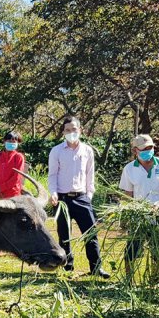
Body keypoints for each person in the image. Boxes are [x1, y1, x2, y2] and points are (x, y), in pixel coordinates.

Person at [48, 117, 110, 278]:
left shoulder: (87, 150)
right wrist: (53, 193)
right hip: (62, 199)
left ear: (80, 130)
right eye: (67, 130)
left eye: (74, 129)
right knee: (64, 235)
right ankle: (67, 265)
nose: (71, 133)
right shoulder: (56, 151)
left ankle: (96, 268)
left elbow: (90, 175)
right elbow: (52, 175)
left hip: (82, 198)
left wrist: (89, 195)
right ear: (63, 132)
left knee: (91, 234)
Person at [118, 134, 159, 274]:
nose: (148, 151)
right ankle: (128, 278)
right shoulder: (129, 169)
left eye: (150, 147)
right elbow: (128, 194)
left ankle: (157, 278)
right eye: (144, 149)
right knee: (132, 248)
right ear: (135, 150)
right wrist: (126, 215)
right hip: (139, 215)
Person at [0, 131, 26, 199]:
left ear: (18, 143)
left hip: (13, 195)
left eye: (14, 141)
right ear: (4, 141)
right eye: (9, 140)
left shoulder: (19, 157)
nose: (12, 142)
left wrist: (1, 188)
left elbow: (16, 177)